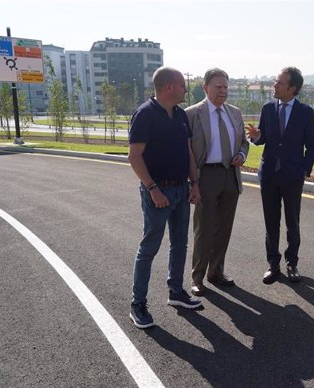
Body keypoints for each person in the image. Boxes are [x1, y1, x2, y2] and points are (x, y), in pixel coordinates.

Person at [127, 66, 203, 329]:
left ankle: (176, 292)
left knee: (180, 244)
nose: (186, 88)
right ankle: (138, 303)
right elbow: (134, 156)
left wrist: (194, 184)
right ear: (169, 87)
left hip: (182, 190)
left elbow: (189, 152)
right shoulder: (145, 114)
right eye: (183, 84)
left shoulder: (181, 115)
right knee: (149, 248)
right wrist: (152, 189)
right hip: (157, 193)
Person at [246, 66, 314, 284]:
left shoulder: (305, 112)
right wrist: (256, 137)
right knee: (271, 222)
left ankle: (292, 263)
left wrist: (305, 169)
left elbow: (311, 145)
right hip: (268, 174)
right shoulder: (268, 108)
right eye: (276, 82)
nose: (274, 86)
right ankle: (273, 264)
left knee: (292, 222)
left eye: (279, 83)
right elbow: (262, 138)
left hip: (292, 175)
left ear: (292, 88)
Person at [185, 68, 249, 296]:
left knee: (224, 228)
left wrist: (242, 155)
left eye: (225, 87)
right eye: (218, 87)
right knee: (204, 229)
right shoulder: (192, 114)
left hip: (230, 175)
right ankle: (198, 277)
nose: (223, 91)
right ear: (205, 88)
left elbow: (244, 142)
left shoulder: (235, 113)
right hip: (206, 176)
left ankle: (216, 271)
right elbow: (187, 150)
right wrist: (192, 181)